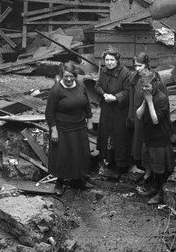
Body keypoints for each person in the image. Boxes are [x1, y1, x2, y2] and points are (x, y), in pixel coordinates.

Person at [46, 62, 93, 195]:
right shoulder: (56, 90)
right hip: (62, 129)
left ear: (75, 76)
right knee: (62, 156)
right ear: (62, 75)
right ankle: (59, 182)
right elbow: (49, 112)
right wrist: (54, 130)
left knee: (80, 154)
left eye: (71, 76)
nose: (68, 79)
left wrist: (89, 119)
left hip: (79, 126)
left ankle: (79, 180)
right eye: (66, 76)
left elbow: (86, 104)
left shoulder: (81, 85)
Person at [136, 68, 175, 204]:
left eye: (147, 86)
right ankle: (153, 188)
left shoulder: (162, 98)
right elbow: (139, 115)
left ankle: (160, 193)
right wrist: (145, 101)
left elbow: (155, 120)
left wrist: (150, 102)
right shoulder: (145, 95)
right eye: (142, 86)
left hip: (160, 137)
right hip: (149, 136)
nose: (144, 89)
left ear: (155, 85)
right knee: (151, 164)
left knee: (159, 167)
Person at [128, 52, 165, 188]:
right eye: (135, 66)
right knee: (141, 144)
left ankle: (155, 175)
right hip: (140, 114)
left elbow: (162, 96)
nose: (137, 68)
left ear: (147, 64)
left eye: (140, 65)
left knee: (152, 144)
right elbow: (132, 98)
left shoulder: (155, 77)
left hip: (152, 114)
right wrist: (131, 116)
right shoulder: (135, 78)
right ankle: (147, 172)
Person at [95, 47, 133, 175]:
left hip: (119, 111)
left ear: (117, 60)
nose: (109, 62)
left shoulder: (125, 73)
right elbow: (98, 85)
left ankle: (122, 164)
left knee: (120, 136)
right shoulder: (104, 71)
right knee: (106, 135)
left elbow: (128, 91)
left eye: (112, 60)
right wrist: (104, 94)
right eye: (107, 60)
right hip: (106, 109)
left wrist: (116, 97)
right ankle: (107, 160)